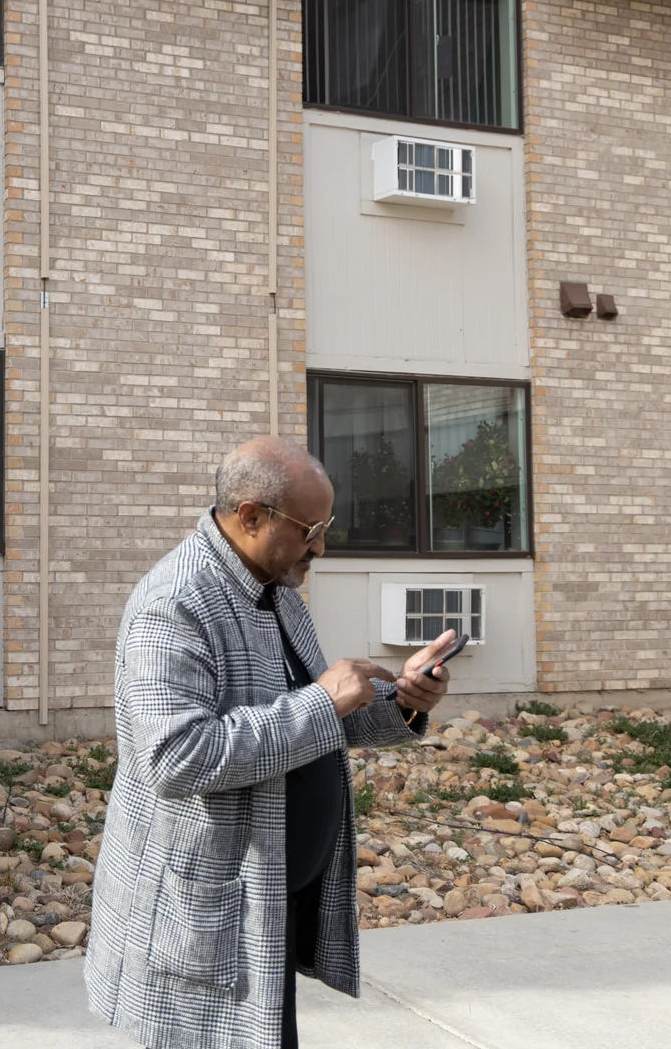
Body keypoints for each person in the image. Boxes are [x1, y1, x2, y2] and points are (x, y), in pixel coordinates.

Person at [85, 436, 453, 1049]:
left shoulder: (275, 589)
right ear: (251, 515)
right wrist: (323, 698)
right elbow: (176, 757)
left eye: (327, 526)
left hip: (268, 896)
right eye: (312, 528)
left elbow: (310, 723)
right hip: (206, 910)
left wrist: (402, 705)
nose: (322, 546)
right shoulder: (172, 604)